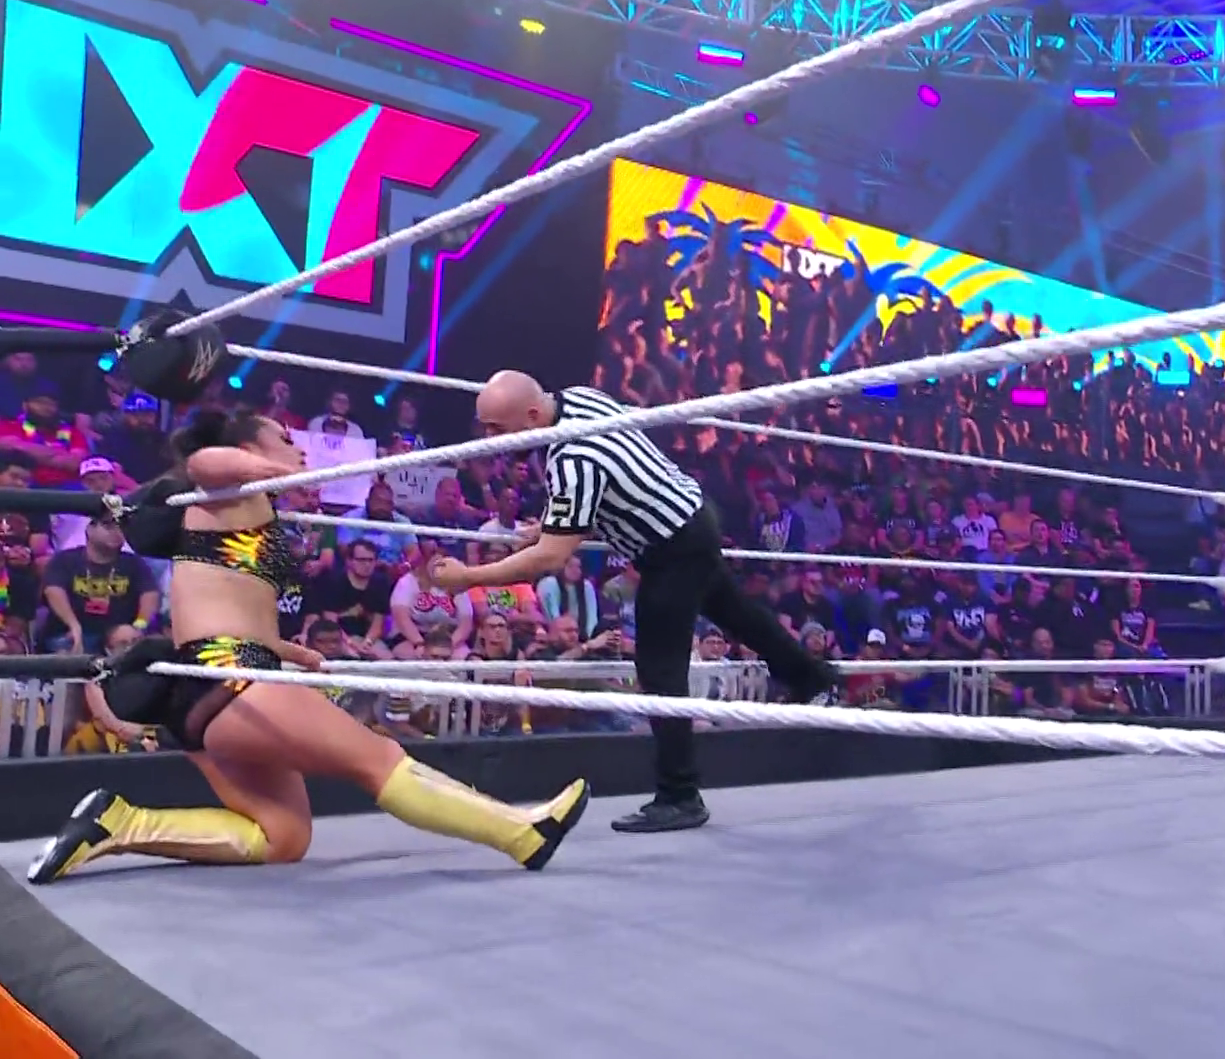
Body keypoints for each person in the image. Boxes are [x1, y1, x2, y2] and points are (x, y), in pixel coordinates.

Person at [28, 409, 589, 885]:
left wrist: (290, 651)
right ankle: (520, 832)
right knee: (378, 761)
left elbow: (233, 601)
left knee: (283, 835)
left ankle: (121, 824)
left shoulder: (248, 510)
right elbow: (205, 462)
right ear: (248, 450)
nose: (298, 447)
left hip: (211, 682)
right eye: (283, 438)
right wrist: (272, 470)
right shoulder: (227, 492)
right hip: (228, 675)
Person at [430, 373, 839, 834]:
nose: (492, 441)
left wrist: (468, 578)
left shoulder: (571, 459)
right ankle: (815, 679)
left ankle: (680, 795)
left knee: (660, 670)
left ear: (530, 416)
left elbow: (550, 557)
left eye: (497, 429)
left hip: (670, 547)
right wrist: (554, 523)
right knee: (737, 614)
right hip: (691, 515)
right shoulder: (580, 397)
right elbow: (615, 477)